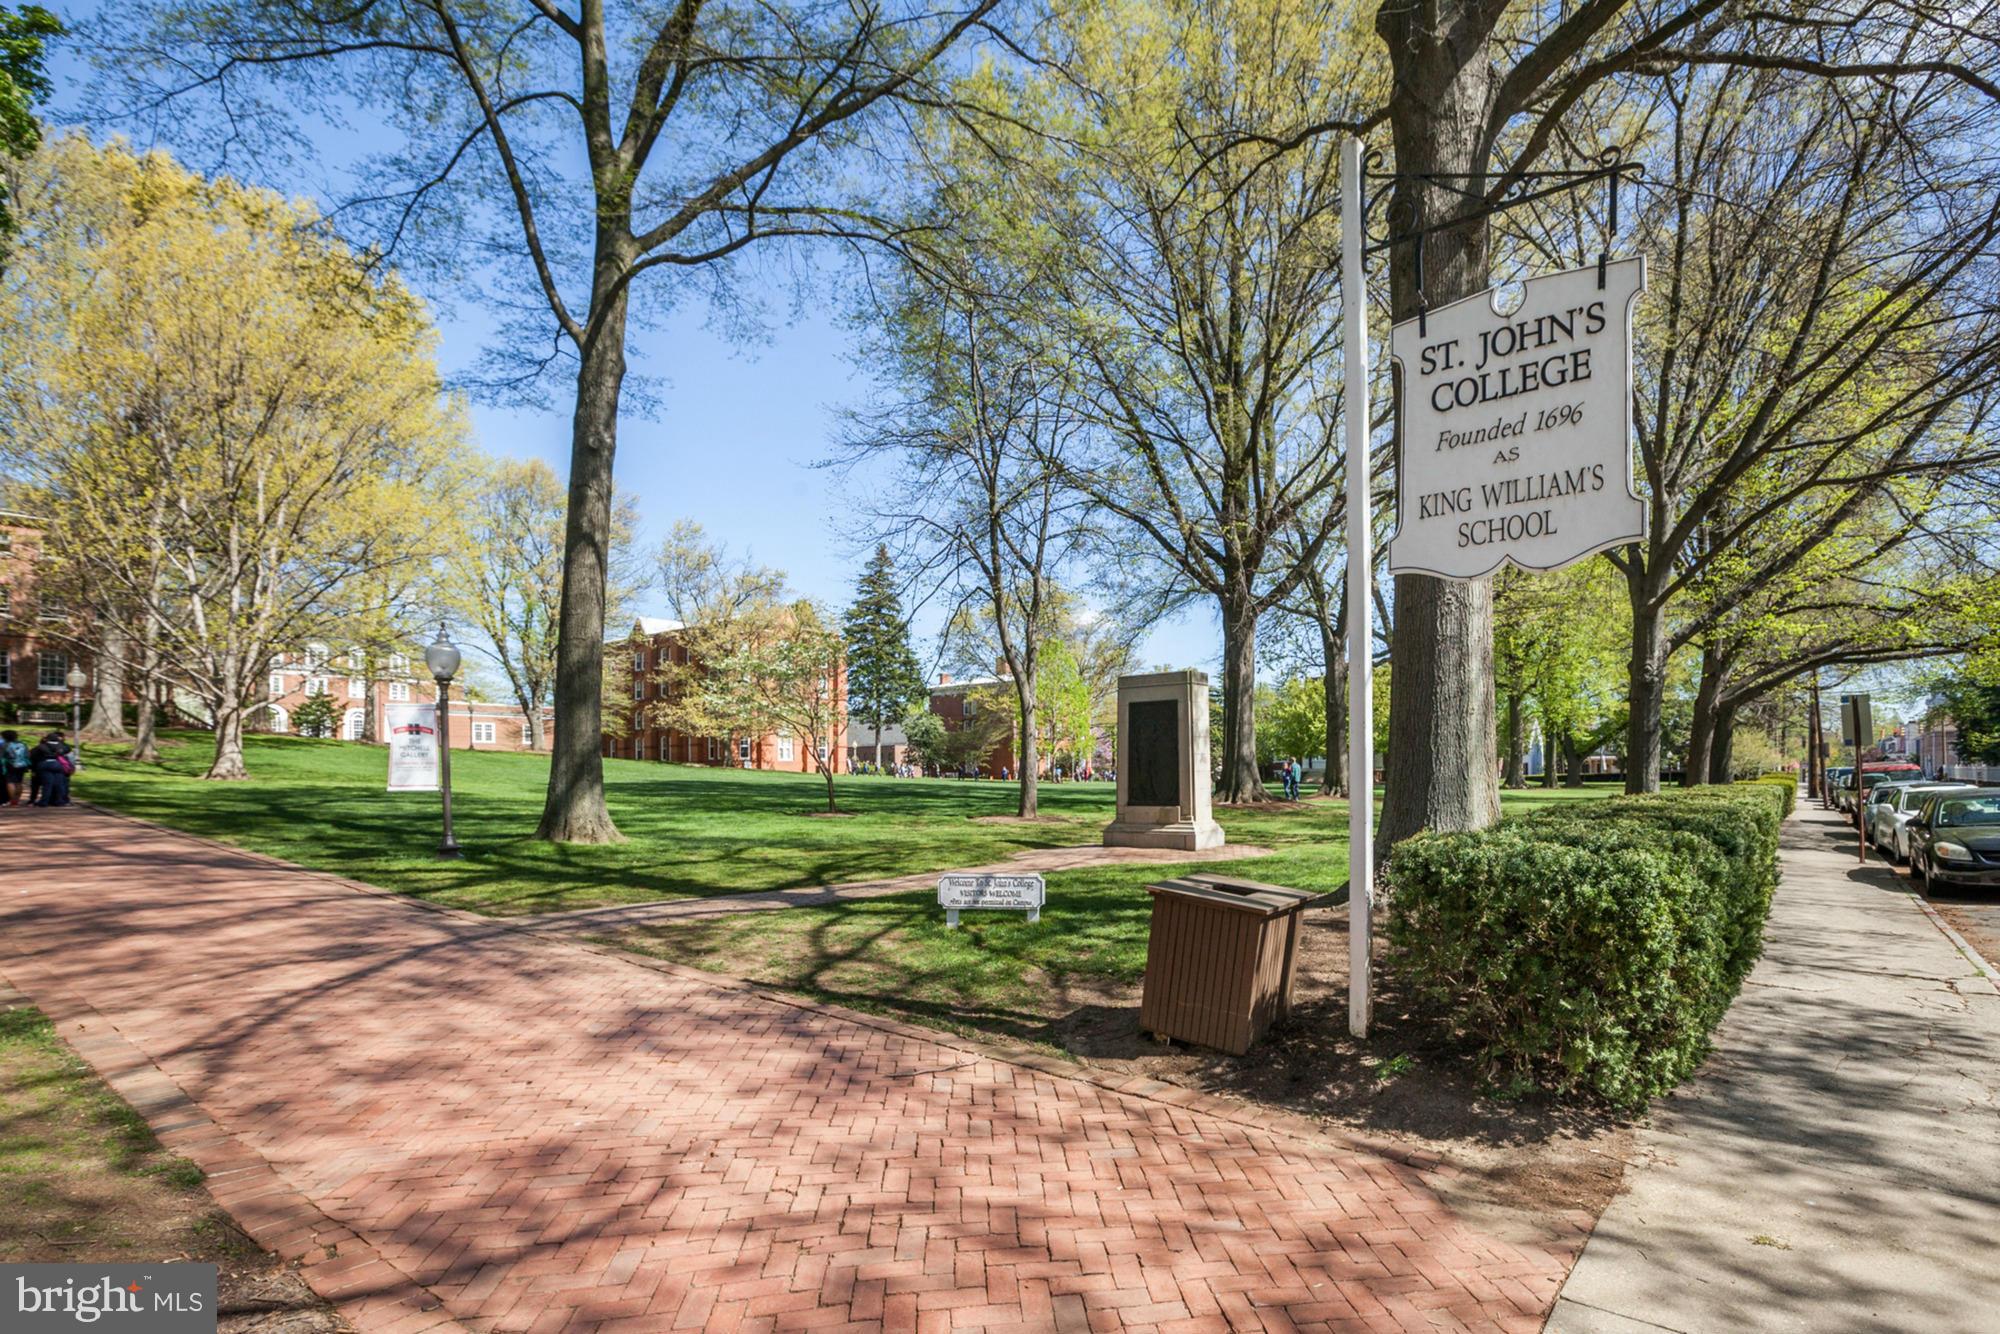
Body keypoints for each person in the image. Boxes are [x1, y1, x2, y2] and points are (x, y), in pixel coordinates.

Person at [29, 731, 73, 807]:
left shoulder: (41, 746)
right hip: (57, 764)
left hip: (44, 764)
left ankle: (44, 802)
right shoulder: (61, 746)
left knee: (47, 784)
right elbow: (68, 749)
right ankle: (60, 801)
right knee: (59, 784)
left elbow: (33, 754)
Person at [1, 730, 28, 806]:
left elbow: (1, 756)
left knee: (10, 782)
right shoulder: (22, 744)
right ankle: (17, 800)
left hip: (10, 765)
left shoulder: (4, 745)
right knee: (19, 782)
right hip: (22, 765)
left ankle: (12, 800)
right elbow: (27, 755)